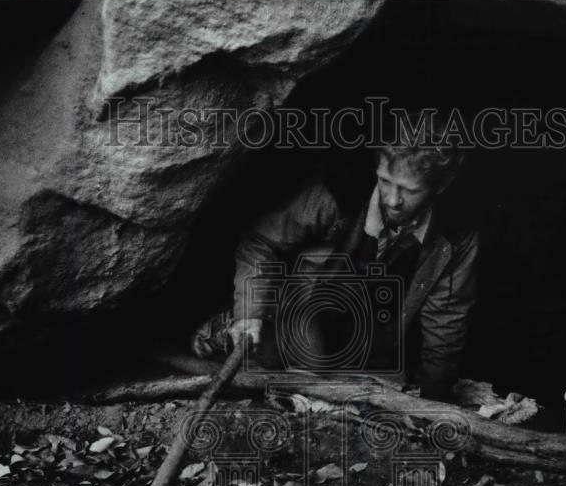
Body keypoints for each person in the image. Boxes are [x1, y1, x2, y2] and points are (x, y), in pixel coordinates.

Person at [191, 115, 479, 403]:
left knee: (382, 385)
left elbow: (447, 319)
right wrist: (249, 311)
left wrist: (434, 403)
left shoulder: (455, 235)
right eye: (385, 181)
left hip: (370, 324)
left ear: (441, 186)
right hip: (306, 303)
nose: (392, 200)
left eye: (410, 190)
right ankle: (226, 326)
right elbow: (260, 241)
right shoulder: (339, 193)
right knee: (303, 370)